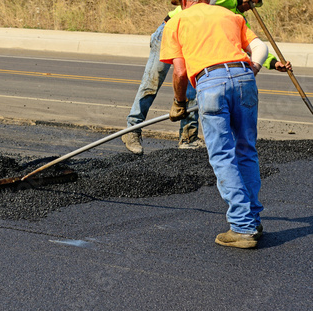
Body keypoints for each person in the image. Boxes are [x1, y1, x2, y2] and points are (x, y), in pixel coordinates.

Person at [159, 0, 288, 248]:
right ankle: (253, 220)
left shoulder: (176, 21)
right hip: (244, 76)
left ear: (182, 1)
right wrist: (253, 69)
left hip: (210, 83)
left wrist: (179, 102)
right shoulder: (228, 14)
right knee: (246, 150)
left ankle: (242, 227)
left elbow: (180, 72)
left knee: (222, 155)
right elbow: (259, 47)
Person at [121, 0, 290, 155]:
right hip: (171, 31)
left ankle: (188, 138)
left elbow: (247, 45)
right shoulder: (224, 2)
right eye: (252, 2)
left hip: (194, 38)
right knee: (152, 82)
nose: (251, 7)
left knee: (196, 85)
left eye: (257, 4)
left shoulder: (236, 16)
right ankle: (132, 130)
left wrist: (273, 63)